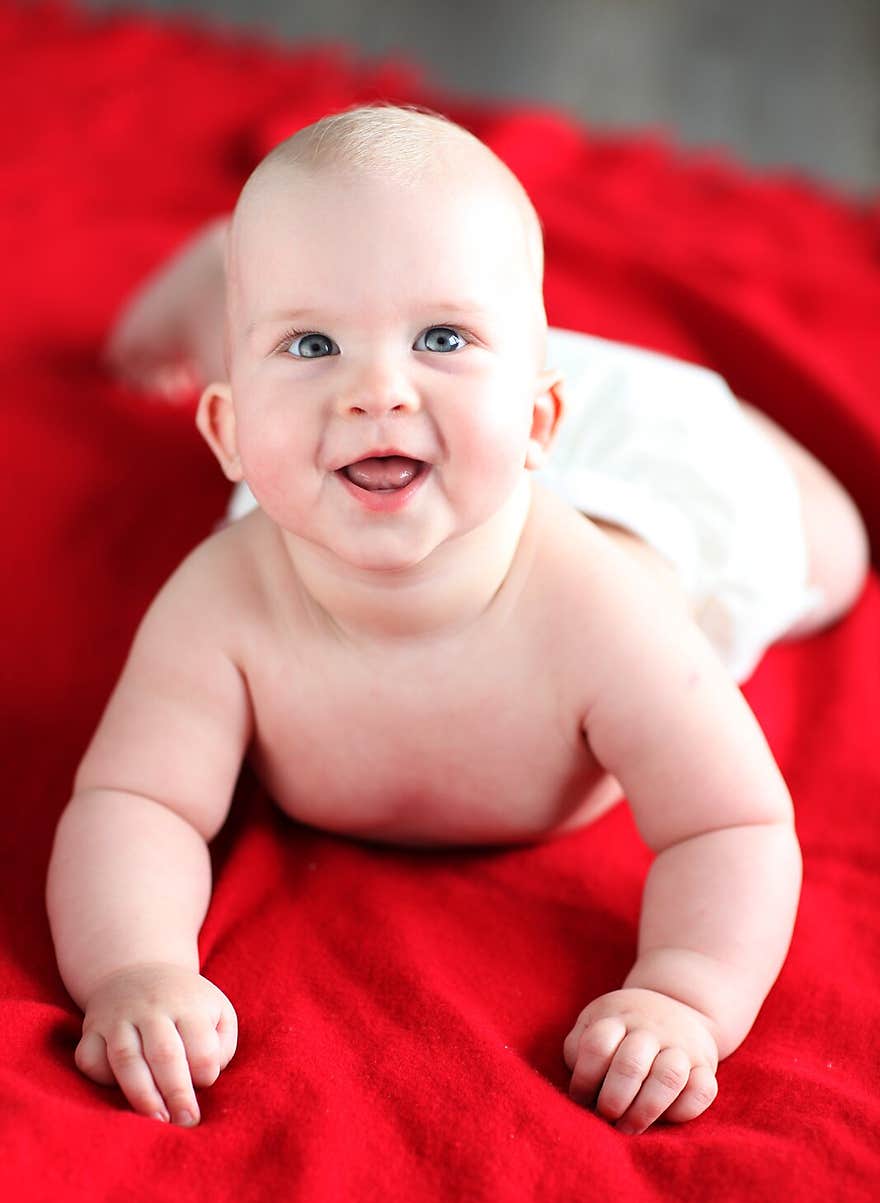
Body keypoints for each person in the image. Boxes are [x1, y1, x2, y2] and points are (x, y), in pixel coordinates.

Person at [47, 104, 869, 1136]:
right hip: (456, 430)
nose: (374, 391)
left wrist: (685, 995)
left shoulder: (605, 617)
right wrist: (135, 966)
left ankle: (691, 411)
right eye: (310, 342)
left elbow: (731, 821)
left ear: (537, 421)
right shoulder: (223, 603)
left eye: (438, 337)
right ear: (224, 428)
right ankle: (232, 276)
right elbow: (135, 800)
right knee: (366, 313)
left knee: (829, 554)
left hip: (639, 472)